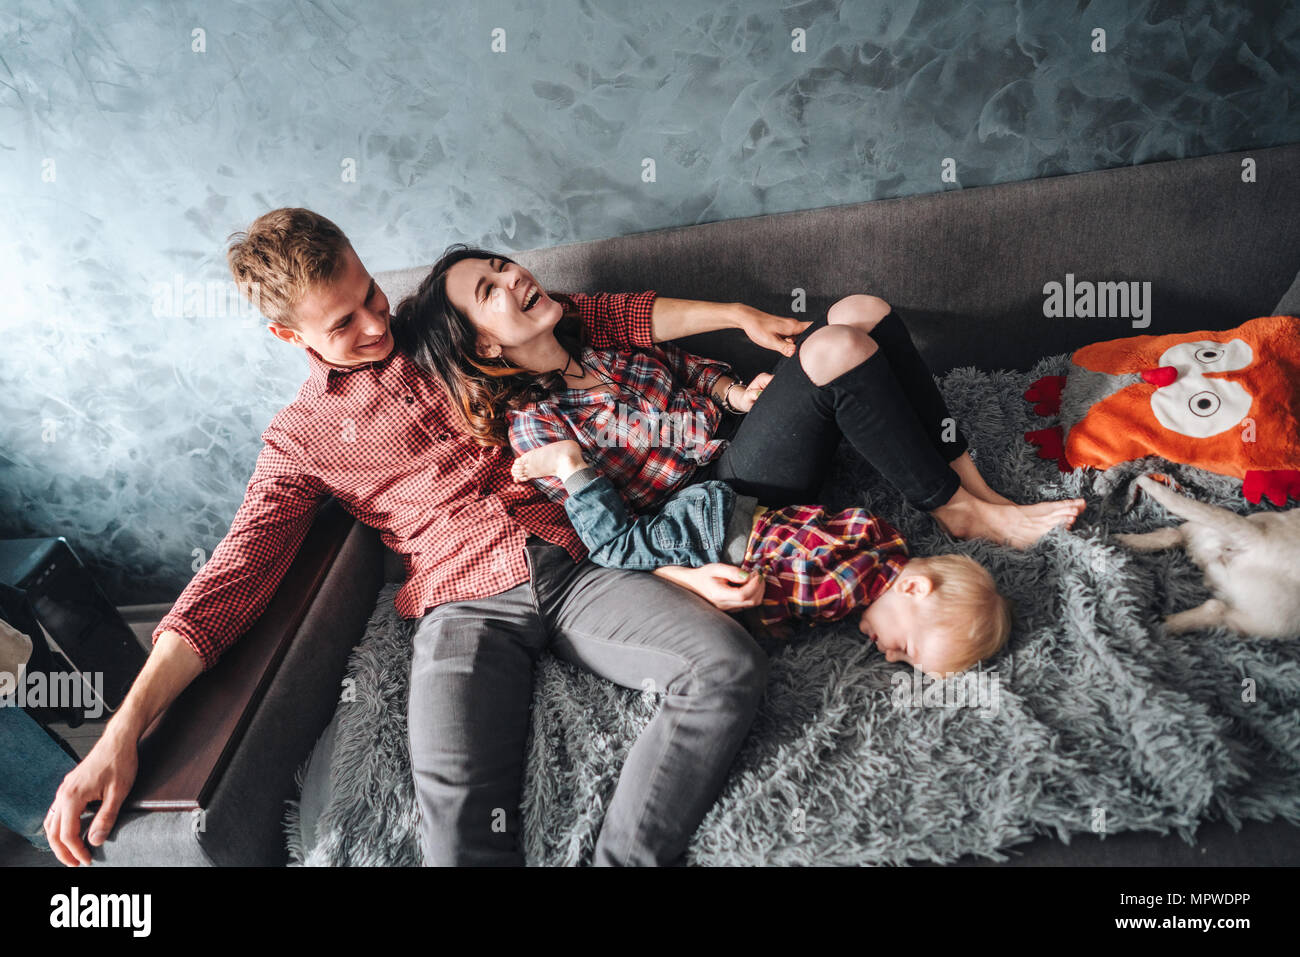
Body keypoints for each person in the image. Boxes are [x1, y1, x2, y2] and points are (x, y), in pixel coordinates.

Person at [43, 208, 809, 868]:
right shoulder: (300, 440)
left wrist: (734, 314)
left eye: (370, 292)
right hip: (461, 607)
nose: (377, 324)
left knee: (725, 666)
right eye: (343, 322)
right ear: (287, 335)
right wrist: (121, 733)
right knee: (458, 825)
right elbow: (229, 583)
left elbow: (587, 317)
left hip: (576, 561)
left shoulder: (439, 323)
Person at [395, 246, 1087, 582]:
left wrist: (731, 393)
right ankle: (954, 510)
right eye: (491, 288)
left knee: (860, 312)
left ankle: (972, 481)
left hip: (743, 437)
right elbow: (611, 540)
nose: (513, 274)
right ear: (483, 344)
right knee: (838, 344)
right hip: (724, 499)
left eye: (499, 263)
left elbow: (687, 367)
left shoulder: (592, 328)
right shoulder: (537, 428)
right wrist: (687, 576)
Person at [508, 437, 1012, 676]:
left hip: (726, 506)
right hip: (708, 539)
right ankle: (571, 467)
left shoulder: (885, 541)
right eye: (908, 648)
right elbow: (776, 602)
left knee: (636, 542)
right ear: (914, 588)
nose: (889, 654)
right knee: (613, 549)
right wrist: (767, 623)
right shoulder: (843, 591)